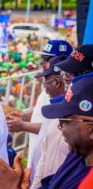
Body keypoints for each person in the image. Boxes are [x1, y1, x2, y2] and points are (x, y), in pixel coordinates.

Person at [6, 40, 73, 170]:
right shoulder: (48, 82)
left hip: (50, 160)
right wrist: (23, 116)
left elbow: (55, 128)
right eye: (43, 57)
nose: (43, 62)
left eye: (48, 58)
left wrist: (23, 125)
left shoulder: (65, 90)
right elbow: (41, 112)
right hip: (37, 154)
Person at [29, 55, 69, 189]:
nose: (44, 87)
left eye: (45, 81)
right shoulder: (54, 111)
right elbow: (44, 156)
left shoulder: (76, 121)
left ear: (57, 82)